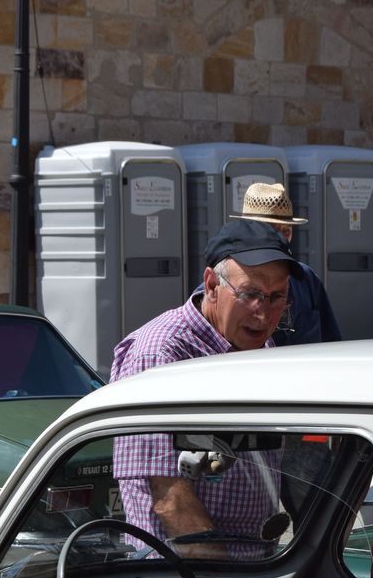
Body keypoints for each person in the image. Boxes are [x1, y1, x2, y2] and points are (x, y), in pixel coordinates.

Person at [110, 220, 296, 557]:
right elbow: (167, 498)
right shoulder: (160, 355)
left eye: (276, 297)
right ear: (212, 286)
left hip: (257, 568)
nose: (264, 311)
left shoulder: (259, 347)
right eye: (250, 294)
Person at [236, 182, 341, 346]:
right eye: (273, 230)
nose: (282, 239)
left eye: (287, 231)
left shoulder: (306, 278)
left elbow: (332, 342)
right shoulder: (224, 281)